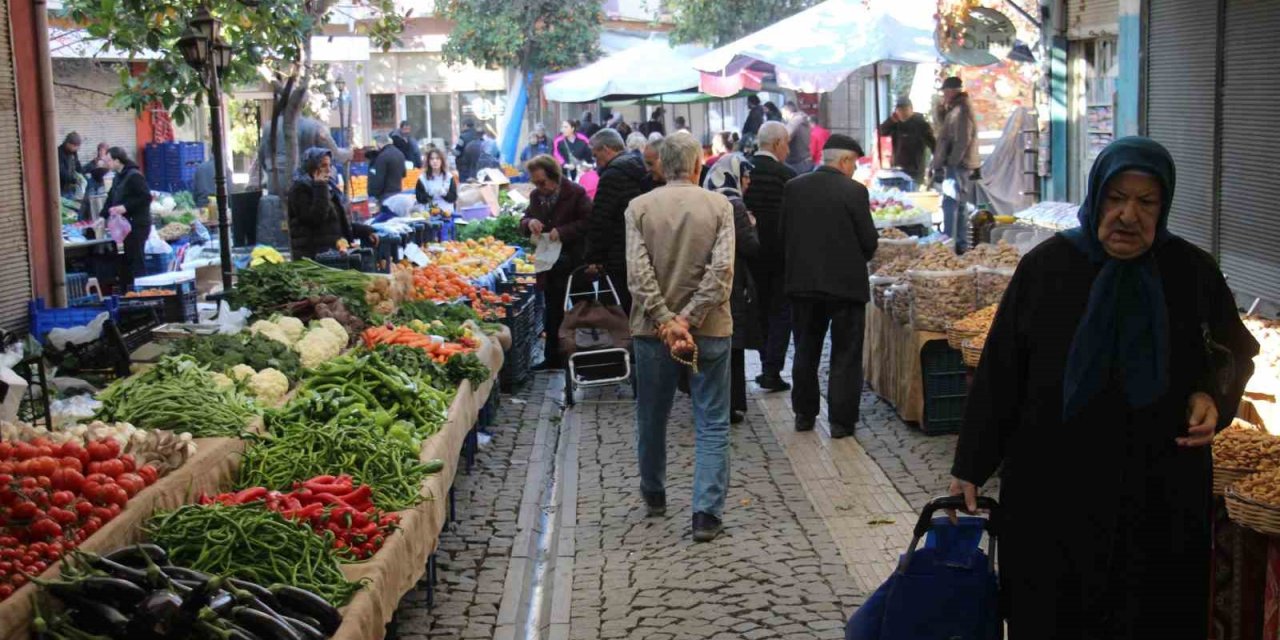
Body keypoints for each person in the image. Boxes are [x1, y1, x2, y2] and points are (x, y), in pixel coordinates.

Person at [949, 137, 1259, 638]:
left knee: (1152, 617)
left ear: (1164, 205)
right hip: (1054, 489)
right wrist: (970, 465)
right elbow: (1001, 373)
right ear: (1096, 196)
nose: (1127, 216)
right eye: (1115, 198)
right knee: (1053, 616)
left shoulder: (1191, 272)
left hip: (1159, 491)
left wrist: (1212, 397)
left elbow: (1232, 353)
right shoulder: (1047, 268)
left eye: (1146, 202)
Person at [626, 131, 735, 542]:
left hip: (652, 332)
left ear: (660, 164)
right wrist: (689, 318)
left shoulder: (639, 207)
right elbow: (722, 271)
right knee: (712, 420)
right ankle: (706, 513)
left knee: (652, 416)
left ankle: (654, 492)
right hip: (710, 330)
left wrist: (666, 319)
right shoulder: (719, 206)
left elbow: (638, 273)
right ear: (697, 165)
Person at [781, 135, 876, 437]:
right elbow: (869, 242)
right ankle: (841, 422)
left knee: (805, 349)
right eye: (854, 164)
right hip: (846, 287)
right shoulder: (854, 191)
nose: (854, 169)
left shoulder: (793, 188)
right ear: (845, 161)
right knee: (846, 353)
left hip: (803, 285)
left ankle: (804, 414)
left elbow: (783, 235)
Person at [520, 155, 594, 370]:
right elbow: (523, 220)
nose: (540, 188)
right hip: (550, 264)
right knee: (552, 312)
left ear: (554, 176)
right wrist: (529, 222)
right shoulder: (536, 196)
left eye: (542, 182)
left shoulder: (575, 193)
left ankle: (590, 356)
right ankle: (553, 358)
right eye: (535, 183)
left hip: (576, 262)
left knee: (583, 309)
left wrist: (563, 231)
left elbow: (589, 221)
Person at [704, 153, 761, 424]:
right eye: (745, 176)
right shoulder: (735, 205)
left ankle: (716, 402)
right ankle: (731, 404)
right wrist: (753, 225)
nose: (748, 181)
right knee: (731, 345)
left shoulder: (707, 199)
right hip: (732, 282)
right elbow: (750, 247)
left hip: (709, 280)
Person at [744, 121, 797, 392]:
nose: (788, 149)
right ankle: (771, 369)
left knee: (759, 308)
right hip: (780, 255)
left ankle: (765, 359)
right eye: (787, 143)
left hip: (750, 253)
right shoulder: (787, 175)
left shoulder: (744, 170)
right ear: (777, 144)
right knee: (781, 312)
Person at [584, 128, 648, 312]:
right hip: (643, 249)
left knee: (617, 312)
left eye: (596, 155)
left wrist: (593, 258)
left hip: (617, 254)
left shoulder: (612, 175)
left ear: (606, 149)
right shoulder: (641, 167)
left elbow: (601, 218)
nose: (596, 161)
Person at [287, 147, 376, 260]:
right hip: (314, 257)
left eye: (329, 165)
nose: (328, 170)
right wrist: (320, 186)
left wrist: (366, 231)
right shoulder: (300, 189)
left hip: (333, 255)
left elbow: (338, 224)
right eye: (323, 166)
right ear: (312, 167)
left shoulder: (329, 188)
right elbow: (316, 218)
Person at [931, 76, 981, 252]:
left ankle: (950, 242)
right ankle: (959, 244)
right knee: (958, 205)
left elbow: (962, 140)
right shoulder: (955, 109)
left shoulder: (961, 111)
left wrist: (951, 162)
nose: (943, 95)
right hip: (960, 164)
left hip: (958, 165)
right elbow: (944, 130)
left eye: (945, 92)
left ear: (952, 91)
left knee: (951, 203)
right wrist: (940, 109)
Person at [100, 147, 151, 289]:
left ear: (117, 161)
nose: (107, 164)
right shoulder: (117, 177)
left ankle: (142, 291)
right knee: (124, 262)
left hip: (137, 226)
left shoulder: (134, 176)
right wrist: (102, 216)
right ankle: (127, 291)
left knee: (136, 260)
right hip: (123, 227)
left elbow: (145, 197)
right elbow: (111, 198)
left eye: (109, 160)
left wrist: (125, 207)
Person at [879, 96, 936, 186]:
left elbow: (933, 144)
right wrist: (891, 120)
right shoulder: (895, 124)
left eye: (905, 110)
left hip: (915, 169)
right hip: (897, 169)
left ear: (911, 109)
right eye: (899, 110)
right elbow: (881, 132)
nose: (902, 113)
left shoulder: (921, 124)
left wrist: (936, 163)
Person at [415, 148, 458, 216]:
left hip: (447, 213)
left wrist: (444, 193)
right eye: (432, 159)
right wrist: (430, 195)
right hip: (428, 213)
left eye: (437, 158)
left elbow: (453, 198)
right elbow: (419, 198)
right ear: (428, 161)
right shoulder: (422, 178)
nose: (435, 161)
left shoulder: (449, 177)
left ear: (442, 161)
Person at [368, 132, 407, 205]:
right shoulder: (400, 153)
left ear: (379, 143)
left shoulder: (382, 156)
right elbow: (404, 174)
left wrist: (373, 194)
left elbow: (378, 179)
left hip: (385, 195)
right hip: (398, 192)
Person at [782, 102, 813, 174]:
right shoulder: (802, 120)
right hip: (805, 159)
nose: (782, 116)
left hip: (797, 162)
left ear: (787, 111)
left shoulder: (795, 121)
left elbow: (785, 136)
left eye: (783, 113)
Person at [58, 132, 83, 198]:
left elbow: (77, 165)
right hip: (62, 189)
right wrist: (74, 179)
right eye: (75, 146)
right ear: (68, 144)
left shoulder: (73, 152)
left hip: (72, 188)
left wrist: (81, 175)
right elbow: (61, 172)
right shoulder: (59, 153)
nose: (76, 149)